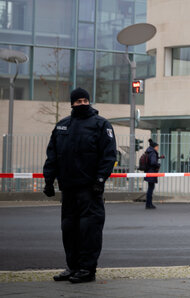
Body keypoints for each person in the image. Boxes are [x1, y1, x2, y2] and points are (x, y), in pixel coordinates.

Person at [42, 87, 117, 284]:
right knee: (69, 229)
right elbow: (53, 155)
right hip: (68, 189)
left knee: (89, 230)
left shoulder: (101, 125)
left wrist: (100, 180)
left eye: (86, 100)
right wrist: (48, 180)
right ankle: (73, 267)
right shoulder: (62, 126)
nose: (83, 104)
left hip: (90, 190)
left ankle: (87, 269)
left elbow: (108, 156)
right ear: (72, 103)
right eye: (79, 101)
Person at [143, 139, 161, 209]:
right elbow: (153, 162)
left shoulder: (149, 152)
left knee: (150, 188)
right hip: (151, 172)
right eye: (157, 147)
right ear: (154, 147)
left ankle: (149, 203)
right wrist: (158, 164)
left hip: (148, 171)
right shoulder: (153, 153)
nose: (158, 148)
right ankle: (149, 204)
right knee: (151, 188)